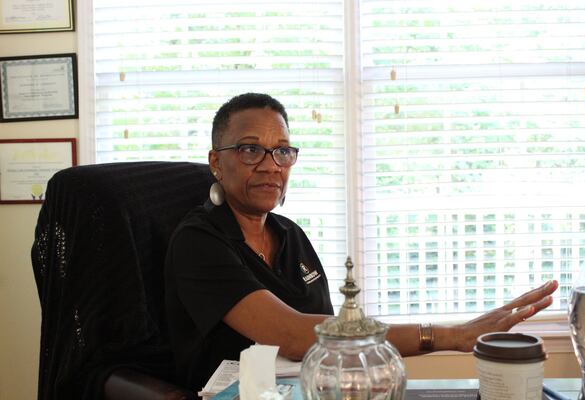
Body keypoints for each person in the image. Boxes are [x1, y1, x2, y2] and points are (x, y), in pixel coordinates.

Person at [164, 92, 558, 390]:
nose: (271, 165)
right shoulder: (198, 241)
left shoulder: (289, 235)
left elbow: (333, 339)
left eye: (282, 151)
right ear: (217, 161)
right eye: (251, 150)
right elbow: (299, 336)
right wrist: (448, 335)